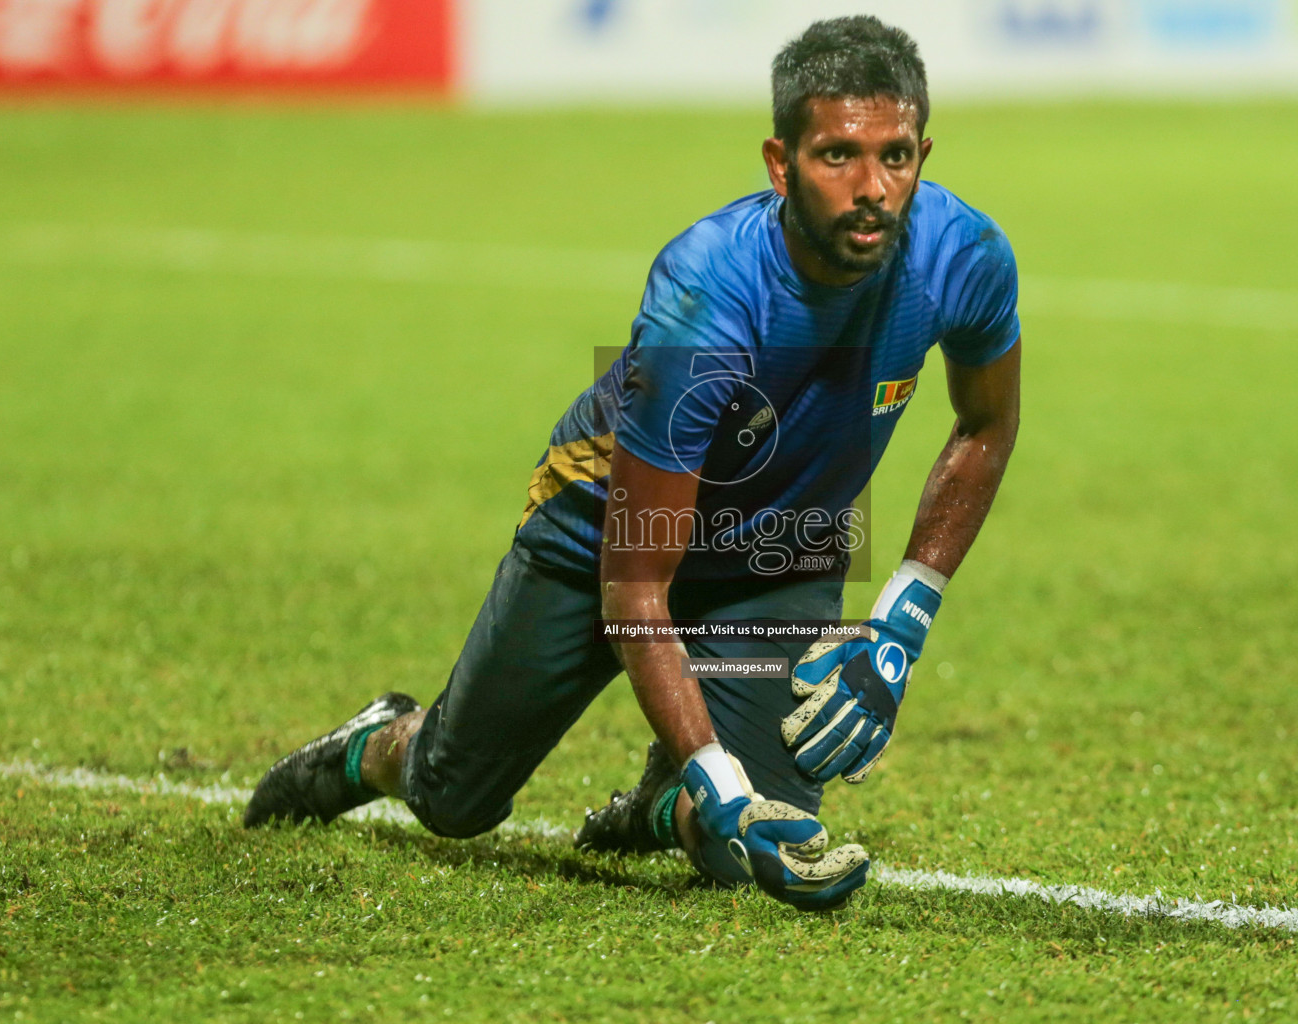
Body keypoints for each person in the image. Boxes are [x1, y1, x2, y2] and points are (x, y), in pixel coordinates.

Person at [243, 15, 1021, 913]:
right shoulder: (708, 294)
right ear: (779, 163)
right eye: (837, 156)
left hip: (781, 548)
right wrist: (717, 776)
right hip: (602, 535)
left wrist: (900, 623)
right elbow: (636, 586)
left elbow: (985, 425)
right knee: (454, 798)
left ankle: (665, 807)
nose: (872, 189)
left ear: (924, 151)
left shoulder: (964, 256)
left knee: (752, 844)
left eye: (895, 157)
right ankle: (377, 744)